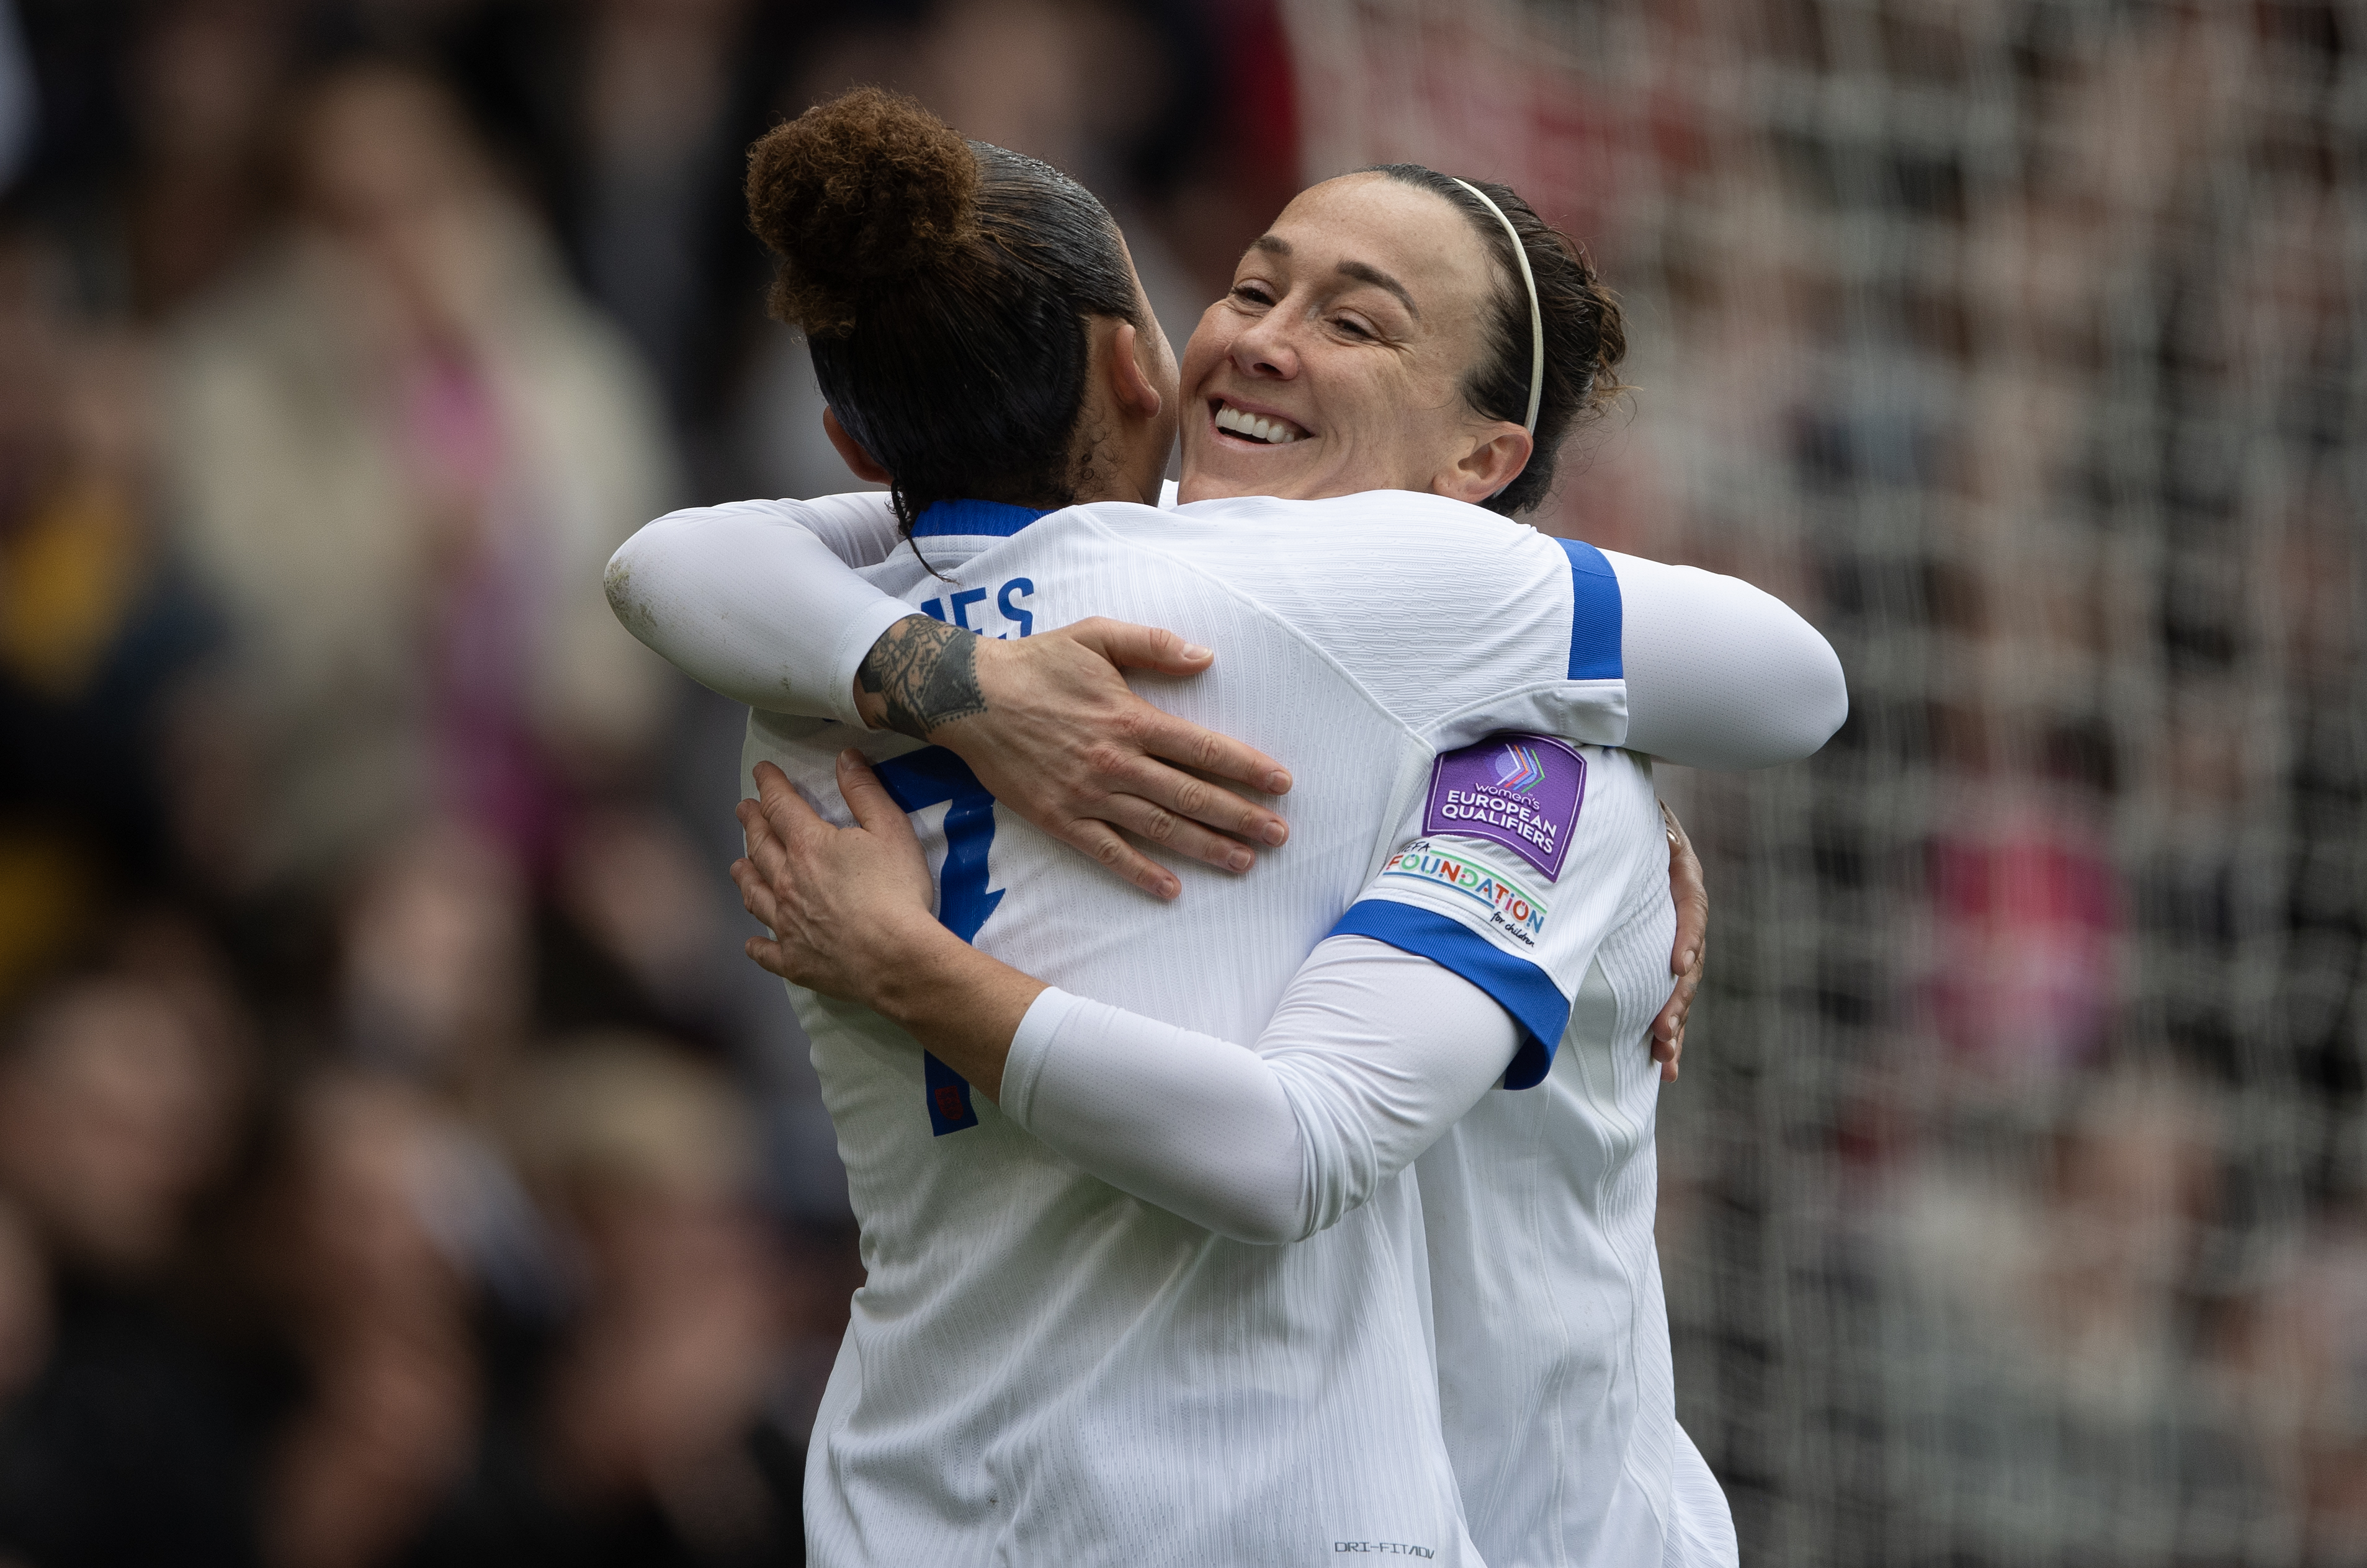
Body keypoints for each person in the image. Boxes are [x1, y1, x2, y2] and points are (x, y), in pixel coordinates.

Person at [606, 90, 1843, 1565]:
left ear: (1482, 467)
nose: (1262, 335)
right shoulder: (1342, 610)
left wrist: (1608, 767)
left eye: (1357, 324)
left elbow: (667, 558)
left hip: (1451, 1522)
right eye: (1252, 287)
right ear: (1136, 364)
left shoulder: (814, 649)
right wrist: (974, 690)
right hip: (1295, 1506)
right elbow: (1790, 680)